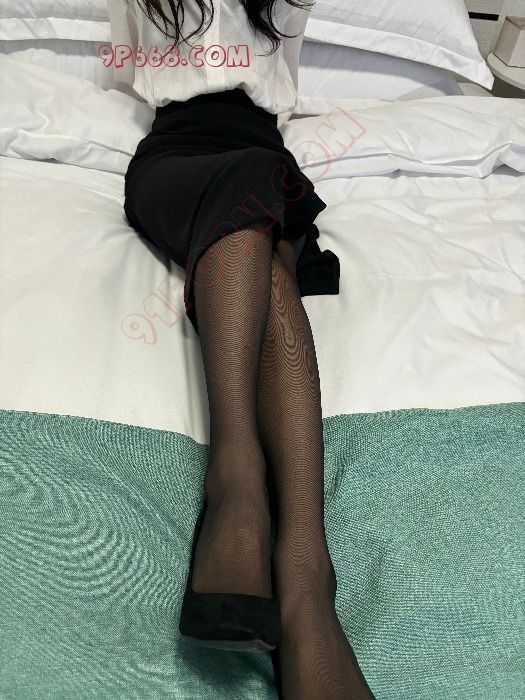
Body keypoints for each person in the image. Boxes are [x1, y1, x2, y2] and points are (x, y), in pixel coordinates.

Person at [107, 1, 376, 697]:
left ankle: (273, 539)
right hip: (177, 158)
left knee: (260, 192)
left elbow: (278, 74)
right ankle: (283, 542)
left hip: (265, 158)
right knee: (258, 218)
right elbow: (134, 65)